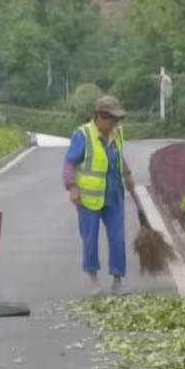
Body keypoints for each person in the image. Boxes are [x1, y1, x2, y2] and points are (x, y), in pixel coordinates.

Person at [63, 93, 136, 294]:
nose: (115, 124)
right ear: (100, 117)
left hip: (114, 196)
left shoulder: (116, 134)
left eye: (117, 120)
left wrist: (128, 175)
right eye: (112, 120)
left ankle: (117, 280)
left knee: (118, 238)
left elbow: (118, 157)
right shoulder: (83, 135)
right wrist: (72, 187)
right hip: (89, 199)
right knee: (90, 239)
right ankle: (94, 280)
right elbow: (69, 163)